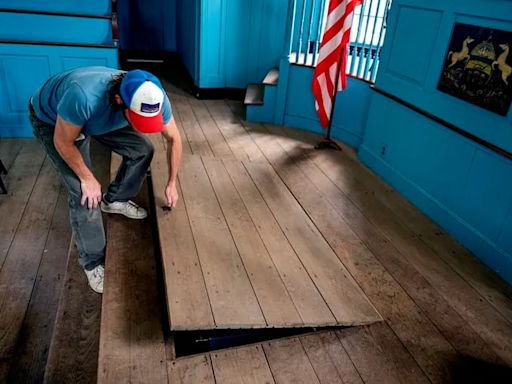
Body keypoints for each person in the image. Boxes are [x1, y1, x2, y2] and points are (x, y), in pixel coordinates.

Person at [28, 66, 182, 294]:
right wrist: (87, 178)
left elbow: (174, 139)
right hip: (54, 121)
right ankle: (92, 262)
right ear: (120, 100)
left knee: (142, 149)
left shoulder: (154, 96)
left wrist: (172, 182)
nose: (143, 125)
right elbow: (63, 142)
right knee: (84, 193)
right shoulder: (84, 96)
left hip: (97, 117)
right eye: (139, 118)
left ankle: (116, 200)